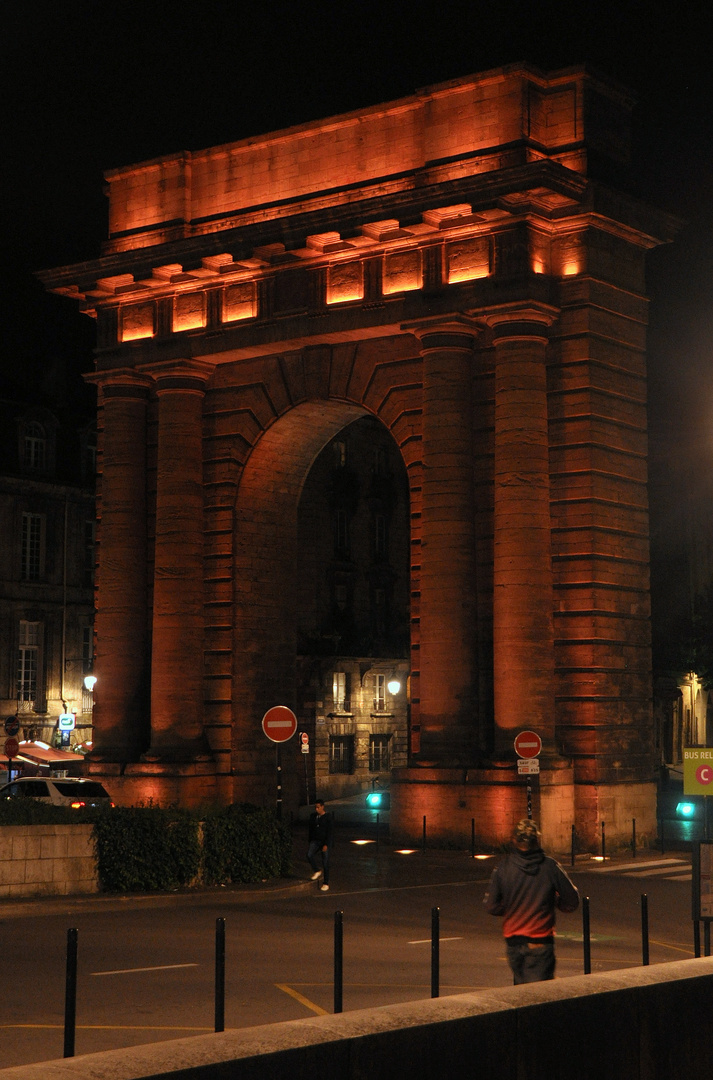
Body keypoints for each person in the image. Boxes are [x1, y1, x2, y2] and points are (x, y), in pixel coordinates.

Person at [484, 818, 579, 984]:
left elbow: (491, 905)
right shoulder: (550, 867)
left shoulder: (503, 868)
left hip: (513, 941)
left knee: (520, 989)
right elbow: (572, 900)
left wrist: (510, 908)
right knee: (539, 994)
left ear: (514, 840)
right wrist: (556, 902)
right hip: (540, 940)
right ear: (537, 840)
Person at [307, 798, 333, 891]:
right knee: (309, 855)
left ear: (322, 807)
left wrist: (326, 844)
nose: (316, 809)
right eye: (315, 807)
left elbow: (329, 832)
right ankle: (317, 870)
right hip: (315, 840)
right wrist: (310, 839)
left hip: (324, 842)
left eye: (318, 807)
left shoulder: (327, 817)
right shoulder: (313, 816)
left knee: (325, 862)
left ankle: (326, 883)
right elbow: (311, 828)